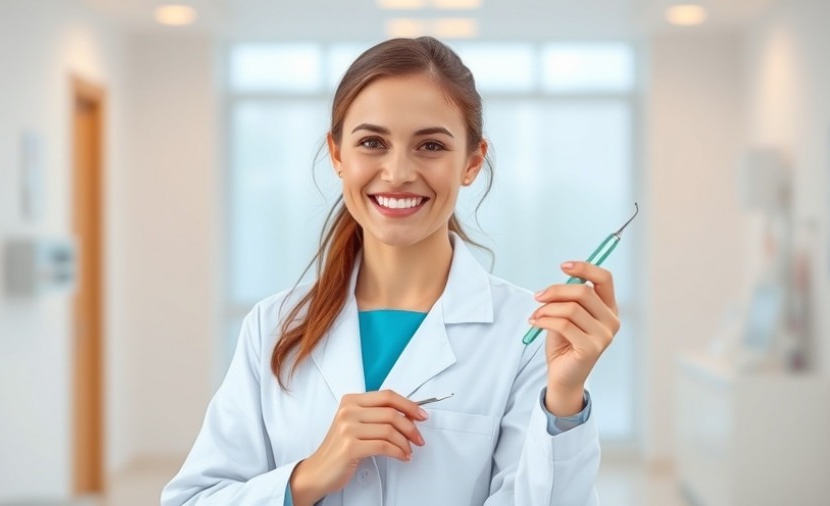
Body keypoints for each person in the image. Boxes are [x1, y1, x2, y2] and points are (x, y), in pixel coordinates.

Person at [162, 36, 621, 505]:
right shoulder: (273, 326)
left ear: (472, 162)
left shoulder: (527, 335)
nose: (398, 172)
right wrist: (308, 476)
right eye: (372, 142)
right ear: (338, 155)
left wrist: (563, 401)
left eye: (430, 145)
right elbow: (192, 499)